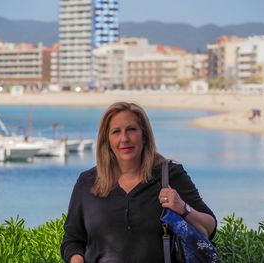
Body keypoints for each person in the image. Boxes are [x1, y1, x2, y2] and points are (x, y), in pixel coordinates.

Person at [61, 101, 216, 263]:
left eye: (132, 129)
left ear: (144, 135)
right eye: (116, 132)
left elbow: (209, 228)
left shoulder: (170, 175)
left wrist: (183, 208)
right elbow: (72, 239)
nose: (124, 138)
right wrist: (75, 258)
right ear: (106, 140)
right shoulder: (87, 182)